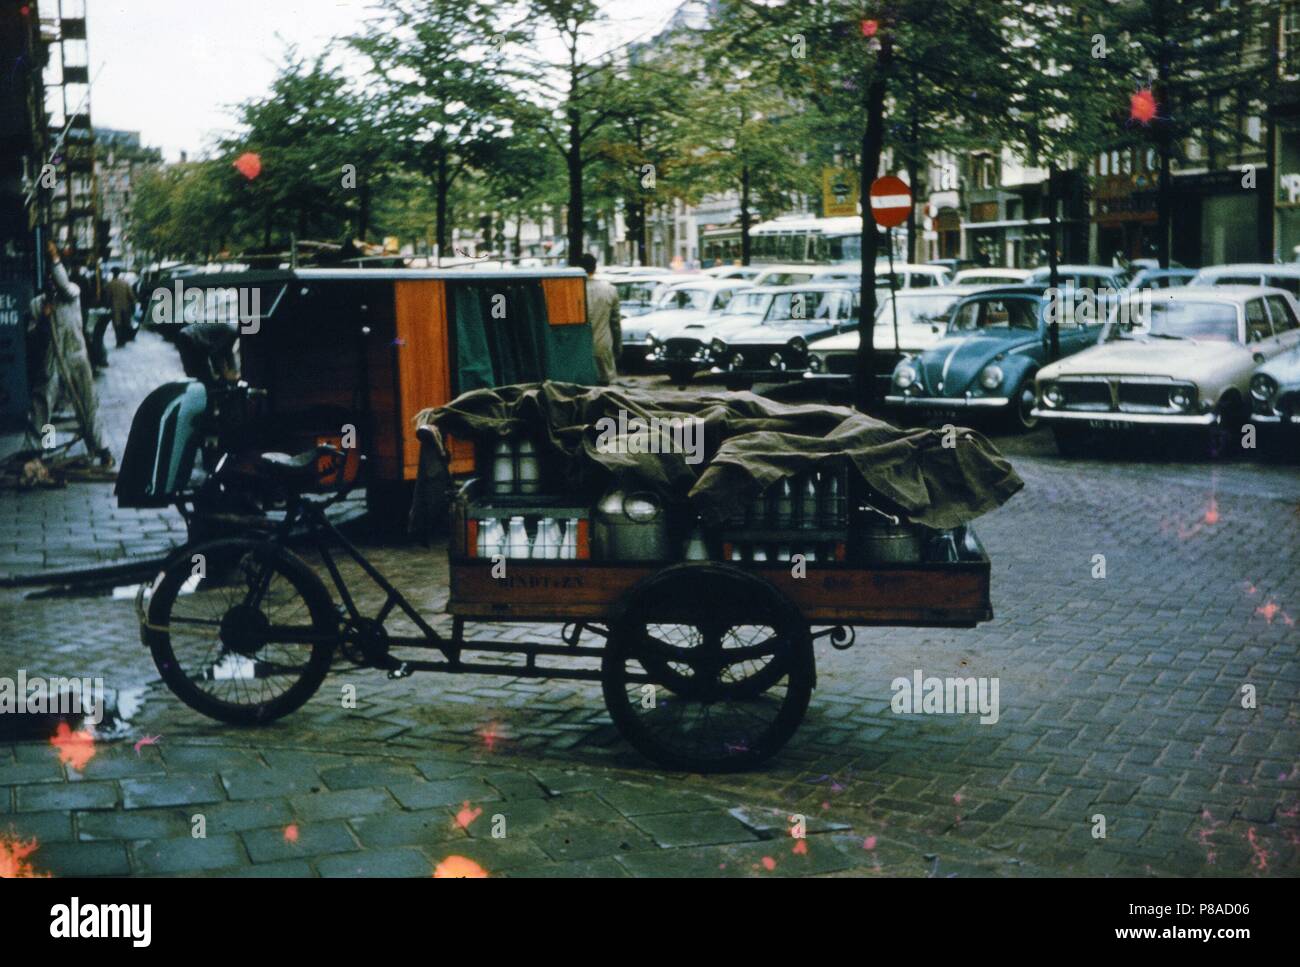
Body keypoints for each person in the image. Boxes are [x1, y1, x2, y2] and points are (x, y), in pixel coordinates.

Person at [24, 240, 112, 466]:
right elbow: (32, 336)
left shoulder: (72, 293)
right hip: (52, 360)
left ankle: (101, 448)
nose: (53, 284)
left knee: (88, 402)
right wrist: (44, 318)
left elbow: (63, 284)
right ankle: (38, 449)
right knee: (44, 404)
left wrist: (54, 258)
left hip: (75, 356)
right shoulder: (37, 304)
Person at [580, 253, 620, 385]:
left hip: (579, 349)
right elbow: (615, 324)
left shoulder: (573, 291)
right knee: (607, 386)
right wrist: (618, 347)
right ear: (595, 267)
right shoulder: (609, 290)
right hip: (603, 345)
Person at [106, 268, 136, 346]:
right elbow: (131, 296)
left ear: (112, 274)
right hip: (125, 306)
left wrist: (107, 306)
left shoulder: (110, 284)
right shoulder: (125, 283)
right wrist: (132, 304)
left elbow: (108, 297)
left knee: (117, 324)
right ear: (119, 274)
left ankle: (119, 341)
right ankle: (125, 339)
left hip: (115, 308)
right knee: (125, 323)